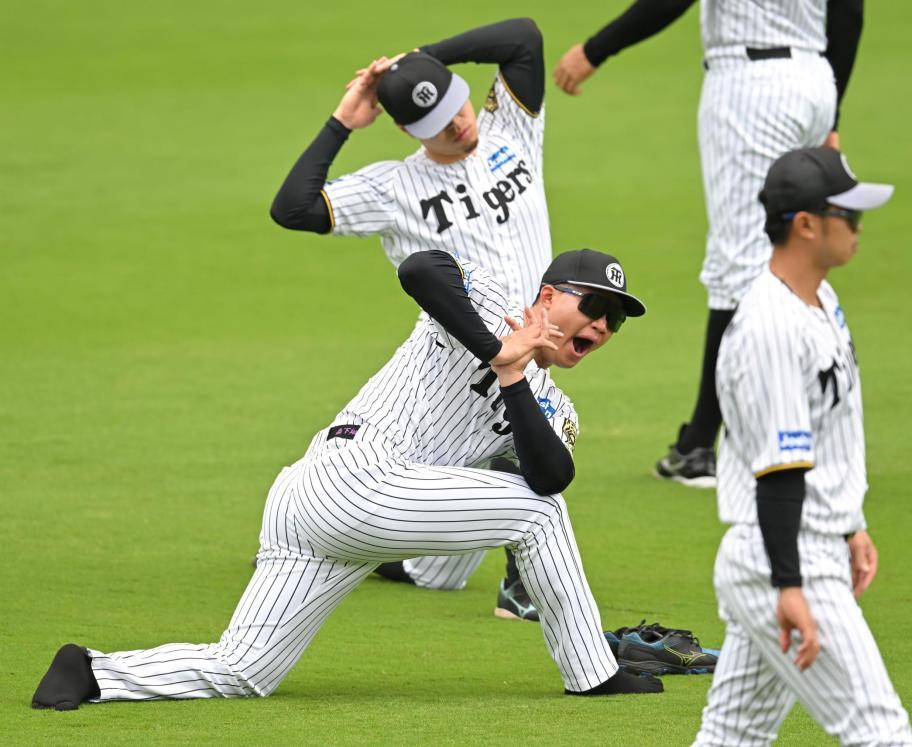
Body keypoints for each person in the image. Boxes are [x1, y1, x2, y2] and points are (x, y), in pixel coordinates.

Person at [32, 248, 668, 710]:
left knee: (245, 670)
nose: (603, 328)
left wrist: (514, 375)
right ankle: (592, 671)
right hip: (349, 478)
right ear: (550, 296)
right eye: (596, 307)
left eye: (616, 321)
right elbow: (421, 268)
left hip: (350, 514)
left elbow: (550, 474)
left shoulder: (555, 405)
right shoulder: (492, 308)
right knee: (535, 517)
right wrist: (499, 348)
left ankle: (93, 673)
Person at [271, 17, 552, 617]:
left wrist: (418, 58)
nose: (457, 122)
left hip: (536, 337)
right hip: (464, 356)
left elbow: (523, 36)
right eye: (436, 123)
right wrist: (344, 120)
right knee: (527, 437)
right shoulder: (393, 187)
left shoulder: (512, 130)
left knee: (440, 571)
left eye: (455, 104)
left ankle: (376, 550)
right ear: (404, 128)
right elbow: (293, 208)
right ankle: (519, 581)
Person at [553, 0, 865, 487]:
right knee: (797, 257)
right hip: (816, 81)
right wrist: (832, 109)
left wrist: (596, 49)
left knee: (737, 268)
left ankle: (707, 445)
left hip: (751, 87)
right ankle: (803, 428)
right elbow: (848, 10)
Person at [692, 147, 912, 744]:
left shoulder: (819, 301)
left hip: (801, 544)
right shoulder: (770, 328)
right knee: (880, 731)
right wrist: (787, 586)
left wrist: (852, 522)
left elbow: (829, 428)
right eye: (851, 216)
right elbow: (780, 470)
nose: (860, 230)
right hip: (786, 557)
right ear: (807, 224)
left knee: (732, 736)